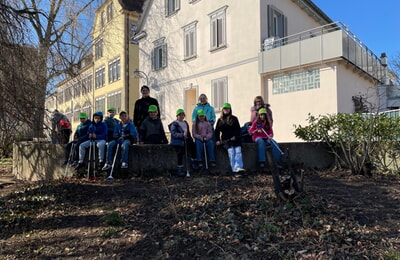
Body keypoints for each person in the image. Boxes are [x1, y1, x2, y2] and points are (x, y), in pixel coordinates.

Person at [215, 103, 245, 177]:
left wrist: (235, 136)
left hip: (235, 139)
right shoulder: (220, 120)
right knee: (231, 152)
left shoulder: (234, 118)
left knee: (238, 150)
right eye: (225, 109)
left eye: (227, 108)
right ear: (222, 110)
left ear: (230, 109)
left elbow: (238, 129)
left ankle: (239, 167)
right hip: (226, 141)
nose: (226, 110)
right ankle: (234, 170)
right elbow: (217, 131)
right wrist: (217, 140)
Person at [168, 109, 198, 176]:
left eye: (183, 115)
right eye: (180, 115)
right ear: (177, 116)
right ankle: (180, 168)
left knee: (193, 146)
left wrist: (189, 138)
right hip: (177, 141)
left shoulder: (185, 123)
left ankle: (194, 161)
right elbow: (174, 134)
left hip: (186, 139)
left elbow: (188, 133)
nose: (181, 116)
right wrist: (181, 135)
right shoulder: (174, 124)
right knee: (180, 152)